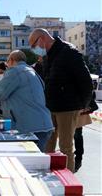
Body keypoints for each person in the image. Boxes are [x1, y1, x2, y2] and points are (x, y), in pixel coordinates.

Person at [29, 28, 93, 172]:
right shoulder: (47, 57)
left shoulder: (69, 52)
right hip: (51, 106)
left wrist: (83, 104)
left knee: (65, 147)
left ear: (41, 39)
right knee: (49, 145)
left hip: (68, 107)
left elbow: (85, 80)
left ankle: (68, 184)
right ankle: (49, 176)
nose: (33, 50)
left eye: (33, 45)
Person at [0, 50, 54, 152]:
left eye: (7, 62)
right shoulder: (32, 72)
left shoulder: (15, 71)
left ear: (11, 60)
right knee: (36, 162)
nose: (7, 65)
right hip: (43, 124)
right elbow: (18, 100)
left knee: (27, 163)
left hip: (29, 127)